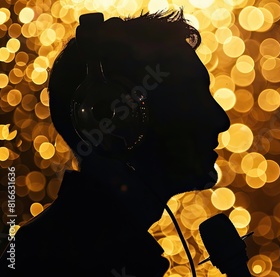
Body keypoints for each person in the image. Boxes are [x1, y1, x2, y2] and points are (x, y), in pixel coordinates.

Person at [0, 9, 230, 276]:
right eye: (192, 99)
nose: (220, 120)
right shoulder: (48, 263)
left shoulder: (65, 251)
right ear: (117, 119)